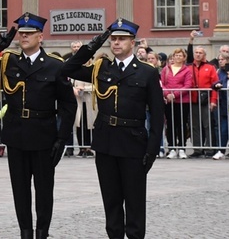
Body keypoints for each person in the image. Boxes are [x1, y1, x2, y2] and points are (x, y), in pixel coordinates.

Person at [0, 13, 79, 239]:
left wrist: (61, 138)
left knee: (44, 189)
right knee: (20, 189)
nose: (24, 36)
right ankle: (25, 232)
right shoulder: (9, 61)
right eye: (21, 33)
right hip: (16, 134)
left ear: (40, 36)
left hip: (44, 134)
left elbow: (68, 105)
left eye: (29, 33)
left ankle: (42, 232)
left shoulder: (55, 65)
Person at [61, 18, 164, 239]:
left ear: (133, 42)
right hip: (106, 142)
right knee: (111, 201)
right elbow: (67, 68)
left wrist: (152, 150)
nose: (116, 43)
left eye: (121, 39)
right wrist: (95, 44)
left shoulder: (147, 72)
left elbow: (157, 115)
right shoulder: (101, 68)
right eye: (113, 39)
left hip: (134, 143)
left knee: (135, 202)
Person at [186, 32, 219, 158]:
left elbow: (215, 84)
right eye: (196, 52)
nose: (198, 54)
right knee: (195, 125)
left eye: (200, 53)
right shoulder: (189, 67)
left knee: (207, 124)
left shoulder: (210, 67)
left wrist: (213, 101)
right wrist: (191, 39)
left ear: (204, 55)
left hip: (206, 99)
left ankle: (209, 148)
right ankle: (197, 149)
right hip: (193, 99)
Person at [161, 47, 194, 159]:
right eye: (176, 55)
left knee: (181, 124)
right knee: (170, 125)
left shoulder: (187, 70)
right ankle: (171, 148)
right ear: (173, 57)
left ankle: (181, 148)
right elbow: (162, 84)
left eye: (180, 55)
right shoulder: (166, 69)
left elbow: (188, 85)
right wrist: (167, 95)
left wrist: (174, 94)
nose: (178, 57)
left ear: (184, 58)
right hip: (169, 101)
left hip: (182, 101)